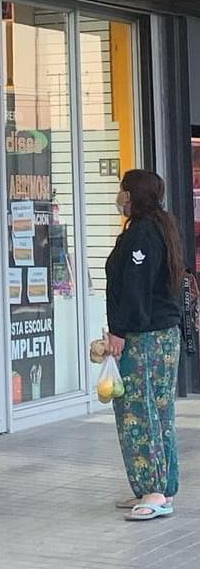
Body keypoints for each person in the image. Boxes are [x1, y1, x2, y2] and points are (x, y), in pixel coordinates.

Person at [106, 169, 183, 522]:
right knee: (159, 412)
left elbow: (135, 288)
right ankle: (161, 487)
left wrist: (118, 332)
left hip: (145, 339)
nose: (119, 197)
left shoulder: (142, 233)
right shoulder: (159, 227)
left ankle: (154, 490)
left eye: (122, 190)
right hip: (162, 335)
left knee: (139, 412)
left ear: (132, 195)